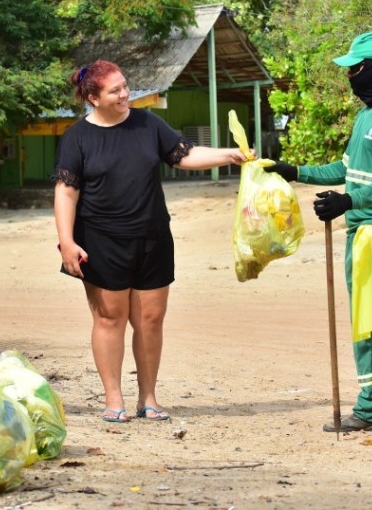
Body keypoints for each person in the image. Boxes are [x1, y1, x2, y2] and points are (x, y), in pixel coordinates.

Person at [53, 59, 252, 423]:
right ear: (93, 98)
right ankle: (114, 399)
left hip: (153, 238)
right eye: (115, 90)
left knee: (150, 319)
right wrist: (66, 241)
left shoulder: (148, 123)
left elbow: (184, 155)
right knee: (110, 318)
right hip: (101, 241)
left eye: (125, 86)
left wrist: (230, 155)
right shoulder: (77, 138)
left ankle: (149, 398)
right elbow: (66, 192)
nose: (125, 94)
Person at [266, 31, 372, 442]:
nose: (350, 76)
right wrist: (295, 171)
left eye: (354, 68)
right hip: (359, 232)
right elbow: (347, 168)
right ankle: (370, 408)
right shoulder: (365, 117)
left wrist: (349, 201)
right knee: (365, 322)